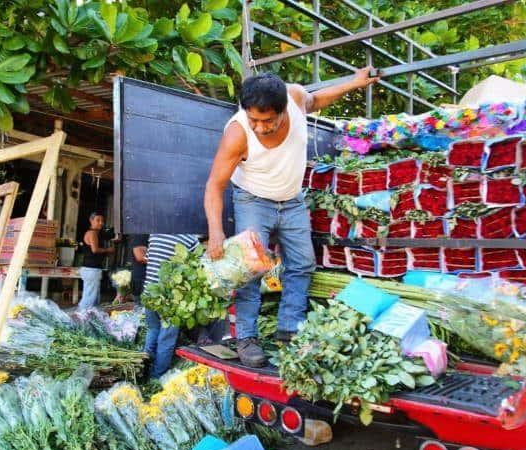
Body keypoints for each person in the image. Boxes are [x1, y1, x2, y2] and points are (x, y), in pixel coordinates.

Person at [203, 67, 379, 368]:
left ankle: (289, 329)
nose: (259, 127)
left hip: (293, 200)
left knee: (302, 264)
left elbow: (317, 100)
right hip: (253, 200)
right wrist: (216, 232)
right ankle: (246, 336)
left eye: (267, 120)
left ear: (283, 109)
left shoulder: (295, 98)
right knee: (250, 269)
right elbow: (214, 185)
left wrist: (354, 83)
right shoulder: (237, 133)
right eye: (253, 119)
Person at [143, 233, 200, 377]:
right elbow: (198, 268)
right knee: (166, 340)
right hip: (171, 300)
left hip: (149, 294)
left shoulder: (155, 234)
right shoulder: (190, 238)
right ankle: (157, 377)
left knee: (153, 330)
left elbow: (148, 258)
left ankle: (143, 369)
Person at [78, 213, 115, 310]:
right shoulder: (92, 233)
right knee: (90, 297)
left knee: (92, 296)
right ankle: (81, 317)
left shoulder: (96, 233)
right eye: (98, 220)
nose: (101, 223)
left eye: (102, 221)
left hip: (91, 269)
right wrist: (108, 250)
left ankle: (86, 317)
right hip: (91, 269)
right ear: (91, 221)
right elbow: (95, 250)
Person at [129, 234, 148, 304]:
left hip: (145, 278)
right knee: (141, 309)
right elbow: (140, 257)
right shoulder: (140, 234)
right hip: (142, 279)